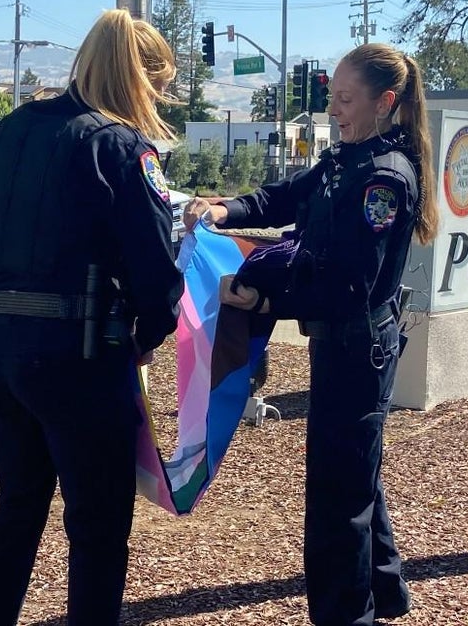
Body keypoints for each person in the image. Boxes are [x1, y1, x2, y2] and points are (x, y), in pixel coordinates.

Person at [183, 43, 441, 626]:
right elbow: (286, 196)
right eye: (333, 97)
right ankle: (387, 590)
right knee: (356, 472)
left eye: (346, 100)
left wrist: (269, 298)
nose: (334, 110)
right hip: (344, 341)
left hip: (358, 345)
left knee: (336, 500)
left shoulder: (382, 179)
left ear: (386, 102)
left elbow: (350, 285)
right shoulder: (348, 157)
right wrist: (227, 210)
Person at [0, 8, 185, 625]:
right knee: (98, 523)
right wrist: (146, 335)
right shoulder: (121, 145)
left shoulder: (15, 126)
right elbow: (157, 275)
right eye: (159, 87)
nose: (159, 99)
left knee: (19, 503)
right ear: (140, 78)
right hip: (76, 352)